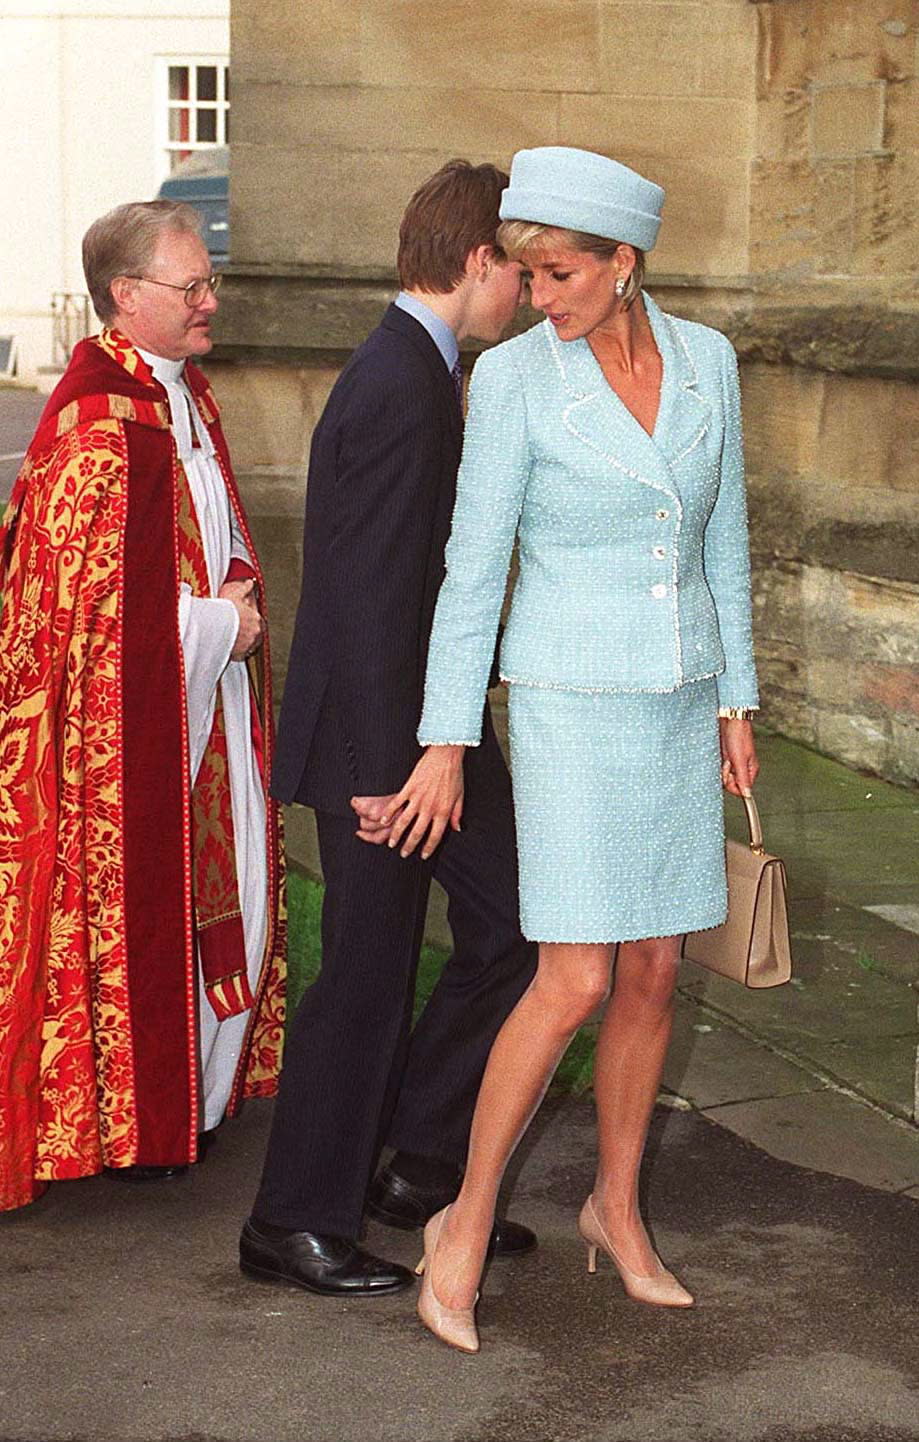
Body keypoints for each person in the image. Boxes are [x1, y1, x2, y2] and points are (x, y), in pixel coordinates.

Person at [379, 146, 761, 1352]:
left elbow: (725, 544)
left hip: (675, 693)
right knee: (575, 976)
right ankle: (462, 1218)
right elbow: (470, 568)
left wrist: (735, 700)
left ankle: (617, 1205)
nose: (536, 295)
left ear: (622, 264)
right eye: (530, 273)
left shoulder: (707, 362)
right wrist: (445, 736)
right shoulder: (512, 384)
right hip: (566, 703)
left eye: (558, 273)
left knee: (654, 969)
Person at [239, 161, 540, 1299]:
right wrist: (385, 771)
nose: (523, 293)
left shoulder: (424, 370)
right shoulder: (400, 383)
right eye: (518, 270)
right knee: (363, 975)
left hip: (428, 729)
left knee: (514, 918)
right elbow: (363, 595)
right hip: (387, 746)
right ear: (477, 263)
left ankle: (417, 1163)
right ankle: (292, 1220)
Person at [0, 201, 286, 1213]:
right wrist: (226, 626)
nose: (211, 300)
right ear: (128, 298)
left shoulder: (181, 398)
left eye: (208, 281)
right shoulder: (94, 423)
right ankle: (137, 1119)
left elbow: (203, 539)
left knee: (233, 897)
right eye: (191, 286)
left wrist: (229, 603)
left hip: (203, 712)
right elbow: (94, 622)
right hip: (121, 752)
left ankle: (190, 1108)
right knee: (143, 915)